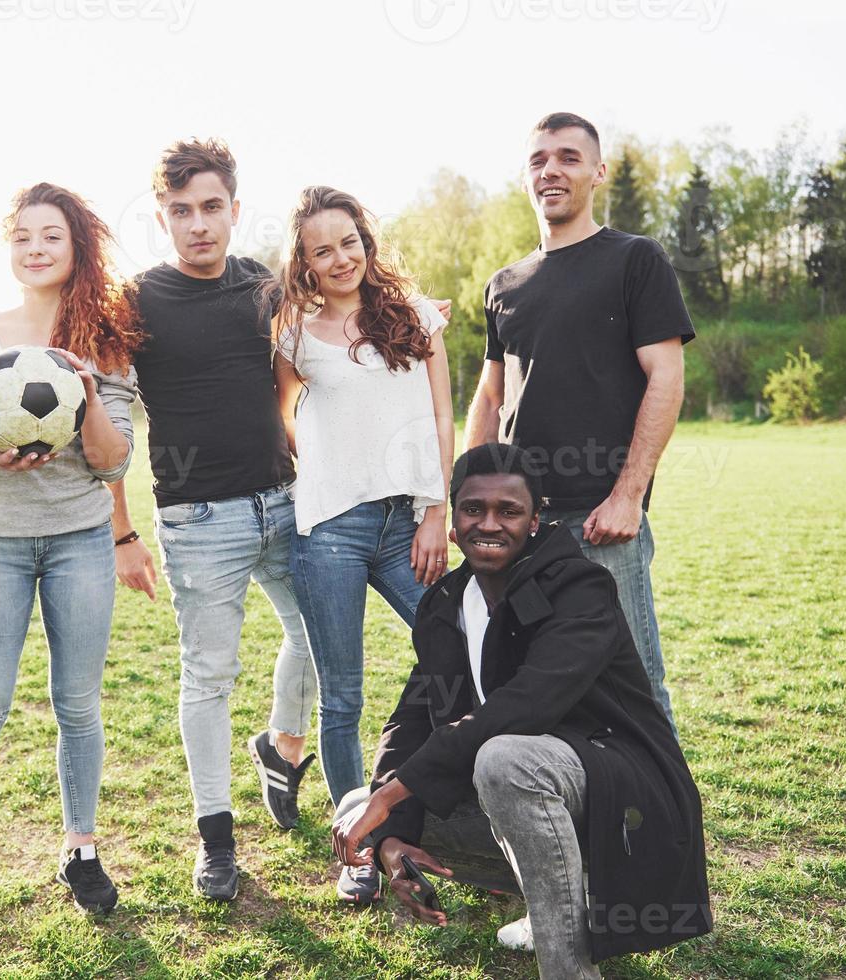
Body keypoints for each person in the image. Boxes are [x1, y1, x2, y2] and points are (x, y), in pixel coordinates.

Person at [332, 444, 711, 979]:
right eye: (473, 509)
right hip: (534, 798)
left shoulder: (580, 587)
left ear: (535, 521)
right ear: (453, 521)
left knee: (504, 760)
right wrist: (392, 830)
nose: (489, 524)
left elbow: (528, 704)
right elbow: (413, 717)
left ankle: (570, 969)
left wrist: (396, 792)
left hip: (619, 797)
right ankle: (557, 899)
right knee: (356, 803)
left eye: (508, 511)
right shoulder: (446, 603)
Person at [0, 183, 140, 966]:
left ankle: (80, 849)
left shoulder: (107, 338)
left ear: (77, 246)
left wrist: (84, 396)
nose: (36, 247)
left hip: (81, 541)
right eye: (22, 236)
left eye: (52, 235)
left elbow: (116, 460)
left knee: (78, 704)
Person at [108, 138, 319, 901]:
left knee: (319, 641)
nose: (199, 225)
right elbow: (107, 416)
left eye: (211, 208)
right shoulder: (136, 301)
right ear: (162, 216)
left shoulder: (262, 284)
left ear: (234, 207)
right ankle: (217, 840)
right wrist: (123, 532)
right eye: (181, 211)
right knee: (208, 679)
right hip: (197, 520)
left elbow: (298, 382)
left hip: (285, 502)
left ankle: (279, 744)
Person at [464, 112, 693, 734]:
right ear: (525, 179)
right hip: (520, 526)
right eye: (538, 160)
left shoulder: (634, 260)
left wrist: (627, 497)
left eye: (568, 157)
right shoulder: (503, 284)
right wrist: (465, 500)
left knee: (635, 688)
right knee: (533, 690)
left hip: (600, 524)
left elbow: (666, 378)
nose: (551, 170)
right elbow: (490, 396)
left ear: (598, 172)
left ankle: (669, 830)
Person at [271, 186, 454, 905]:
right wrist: (327, 469)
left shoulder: (414, 316)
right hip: (330, 533)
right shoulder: (291, 334)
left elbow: (443, 414)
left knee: (459, 648)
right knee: (341, 694)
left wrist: (436, 509)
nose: (339, 258)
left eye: (348, 242)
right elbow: (284, 419)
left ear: (365, 243)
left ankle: (452, 809)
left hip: (408, 525)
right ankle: (357, 846)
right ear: (306, 263)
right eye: (322, 250)